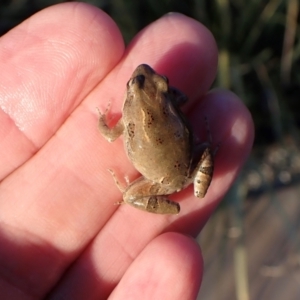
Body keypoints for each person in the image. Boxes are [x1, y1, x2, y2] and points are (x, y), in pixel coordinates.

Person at [0, 3, 254, 299]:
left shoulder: (126, 120)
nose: (149, 75)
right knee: (203, 152)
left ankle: (150, 194)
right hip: (189, 162)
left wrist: (101, 118)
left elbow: (108, 135)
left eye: (159, 83)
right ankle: (198, 161)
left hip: (165, 179)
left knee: (129, 195)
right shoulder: (169, 101)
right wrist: (168, 96)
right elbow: (181, 97)